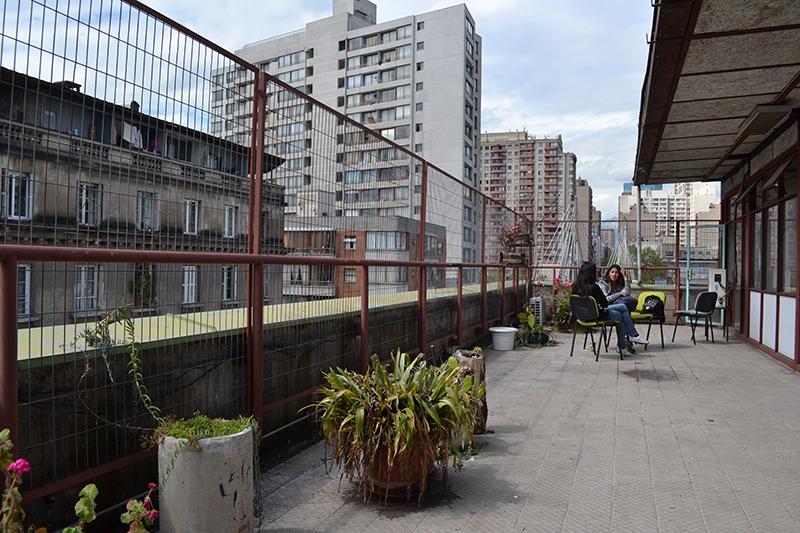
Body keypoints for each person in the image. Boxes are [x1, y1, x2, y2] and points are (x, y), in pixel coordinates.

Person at [572, 262, 647, 357]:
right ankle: (625, 344)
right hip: (597, 315)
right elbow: (605, 303)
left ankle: (631, 338)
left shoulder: (574, 286)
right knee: (621, 315)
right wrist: (619, 294)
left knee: (623, 307)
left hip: (582, 316)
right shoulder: (594, 287)